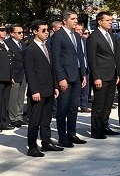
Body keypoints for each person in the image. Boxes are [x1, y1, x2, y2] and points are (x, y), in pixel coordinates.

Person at [50, 10, 88, 147]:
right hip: (65, 77)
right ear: (65, 21)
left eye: (76, 18)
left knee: (73, 108)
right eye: (73, 18)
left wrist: (83, 74)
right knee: (63, 108)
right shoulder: (58, 36)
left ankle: (72, 133)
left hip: (77, 75)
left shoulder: (76, 36)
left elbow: (80, 55)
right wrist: (61, 78)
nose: (76, 21)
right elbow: (56, 59)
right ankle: (62, 136)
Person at [23, 19, 61, 156]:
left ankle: (46, 142)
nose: (47, 33)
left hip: (49, 89)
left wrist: (55, 86)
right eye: (43, 30)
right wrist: (34, 90)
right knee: (35, 120)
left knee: (46, 119)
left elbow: (52, 69)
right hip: (38, 91)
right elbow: (30, 71)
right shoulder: (30, 49)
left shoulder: (47, 47)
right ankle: (32, 146)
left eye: (48, 30)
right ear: (34, 31)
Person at [87, 11, 119, 139]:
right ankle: (96, 129)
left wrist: (117, 73)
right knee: (99, 104)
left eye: (111, 20)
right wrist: (96, 77)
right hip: (101, 75)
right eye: (108, 20)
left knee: (108, 103)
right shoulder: (94, 37)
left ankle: (104, 125)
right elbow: (92, 59)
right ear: (100, 22)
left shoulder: (110, 35)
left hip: (111, 74)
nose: (110, 22)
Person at [6, 24, 28, 127]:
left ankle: (19, 116)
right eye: (19, 33)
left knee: (20, 96)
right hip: (14, 73)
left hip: (23, 72)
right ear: (12, 34)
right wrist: (11, 75)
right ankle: (13, 117)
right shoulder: (8, 44)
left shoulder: (22, 44)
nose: (21, 34)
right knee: (13, 97)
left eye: (22, 32)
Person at [75, 24, 91, 112]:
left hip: (85, 66)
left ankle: (84, 105)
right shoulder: (73, 41)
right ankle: (75, 103)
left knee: (86, 87)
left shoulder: (85, 40)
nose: (80, 31)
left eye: (81, 30)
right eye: (78, 30)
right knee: (77, 87)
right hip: (76, 67)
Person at [0, 28, 13, 131]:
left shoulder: (5, 44)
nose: (4, 32)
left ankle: (4, 121)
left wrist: (11, 76)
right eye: (1, 30)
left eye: (5, 30)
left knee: (5, 101)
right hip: (1, 77)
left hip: (7, 77)